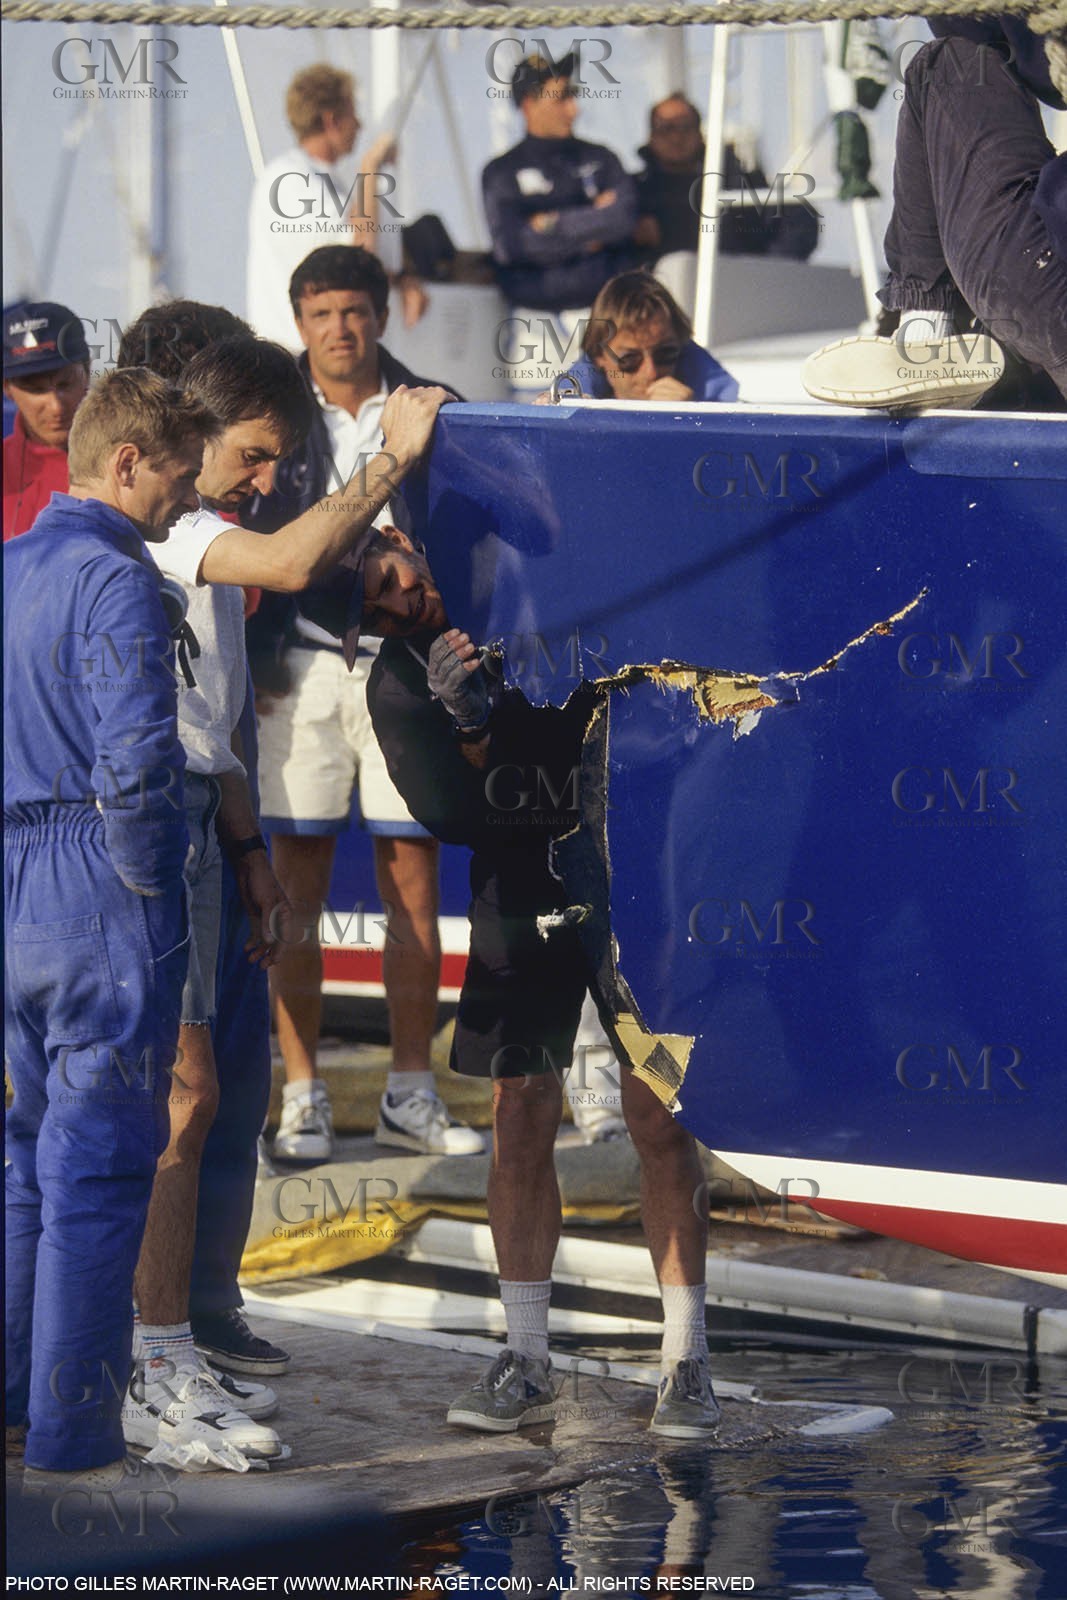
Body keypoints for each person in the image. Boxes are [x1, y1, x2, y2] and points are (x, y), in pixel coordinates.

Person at [115, 317, 451, 1455]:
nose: (265, 480)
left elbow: (215, 717)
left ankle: (194, 1326)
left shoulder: (208, 521)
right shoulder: (173, 528)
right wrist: (392, 457)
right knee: (182, 1096)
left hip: (214, 823)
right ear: (193, 436)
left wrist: (253, 852)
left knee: (231, 1093)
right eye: (256, 454)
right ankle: (149, 1354)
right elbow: (294, 563)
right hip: (152, 832)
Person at [361, 561, 720, 1440]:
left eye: (404, 568)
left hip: (642, 878)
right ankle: (525, 1357)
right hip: (521, 892)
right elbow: (455, 818)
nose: (410, 593)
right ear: (364, 618)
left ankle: (688, 1360)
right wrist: (472, 723)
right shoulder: (398, 683)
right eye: (383, 598)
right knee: (521, 1114)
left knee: (658, 1117)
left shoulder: (526, 578)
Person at [5, 369, 216, 1482]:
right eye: (180, 476)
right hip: (94, 882)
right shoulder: (116, 582)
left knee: (24, 1154)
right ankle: (76, 1440)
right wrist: (149, 893)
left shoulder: (8, 568)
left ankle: (13, 1402)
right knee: (95, 1169)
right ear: (128, 461)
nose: (186, 500)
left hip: (8, 881)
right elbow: (137, 767)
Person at [243, 245, 483, 1163]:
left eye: (353, 310)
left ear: (381, 315)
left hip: (403, 668)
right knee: (294, 889)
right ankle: (301, 1094)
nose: (339, 328)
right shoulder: (269, 410)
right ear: (298, 321)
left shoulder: (435, 406)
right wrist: (258, 656)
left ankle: (410, 1092)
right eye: (320, 313)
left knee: (411, 884)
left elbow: (465, 540)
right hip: (296, 673)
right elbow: (247, 531)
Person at [804, 20, 1067, 410]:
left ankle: (925, 334)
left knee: (948, 64)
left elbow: (993, 39)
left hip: (1049, 286)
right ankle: (1007, 366)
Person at [481, 53, 637, 395]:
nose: (574, 109)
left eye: (573, 95)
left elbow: (622, 220)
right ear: (529, 103)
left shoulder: (601, 160)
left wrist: (549, 224)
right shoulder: (501, 173)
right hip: (535, 333)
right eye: (562, 97)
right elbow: (513, 246)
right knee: (532, 433)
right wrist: (592, 229)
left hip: (607, 324)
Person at [246, 64, 425, 352]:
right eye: (353, 114)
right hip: (295, 356)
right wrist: (370, 168)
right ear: (332, 120)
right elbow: (358, 254)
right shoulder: (292, 180)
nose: (359, 125)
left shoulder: (324, 180)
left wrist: (404, 279)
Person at [555, 271, 737, 403]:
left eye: (665, 354)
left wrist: (692, 423)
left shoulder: (729, 420)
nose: (651, 372)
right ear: (598, 358)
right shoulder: (560, 415)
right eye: (630, 359)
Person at [3, 300, 90, 539]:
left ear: (88, 372)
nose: (56, 406)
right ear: (7, 388)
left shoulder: (128, 460)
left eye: (66, 384)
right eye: (36, 389)